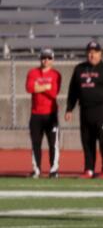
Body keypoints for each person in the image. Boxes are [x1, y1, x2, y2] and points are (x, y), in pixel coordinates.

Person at [65, 41, 103, 179]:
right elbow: (73, 91)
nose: (92, 54)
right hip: (85, 110)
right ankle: (89, 169)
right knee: (87, 141)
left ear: (101, 54)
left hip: (102, 110)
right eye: (89, 52)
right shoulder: (79, 69)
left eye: (95, 52)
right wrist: (69, 109)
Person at [26, 49, 62, 178]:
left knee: (53, 144)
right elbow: (29, 88)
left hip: (50, 114)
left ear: (52, 60)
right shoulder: (33, 72)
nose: (45, 60)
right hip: (36, 114)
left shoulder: (56, 74)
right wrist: (46, 86)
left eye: (48, 58)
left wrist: (39, 87)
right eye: (43, 58)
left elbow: (54, 92)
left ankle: (53, 170)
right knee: (36, 143)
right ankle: (36, 169)